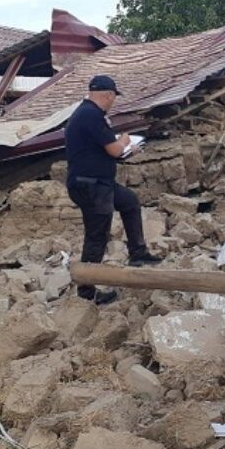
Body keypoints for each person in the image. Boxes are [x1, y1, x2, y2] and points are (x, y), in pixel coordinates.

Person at [65, 75, 161, 304]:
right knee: (97, 235)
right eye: (113, 98)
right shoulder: (91, 115)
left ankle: (138, 254)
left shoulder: (87, 114)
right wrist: (126, 141)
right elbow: (115, 150)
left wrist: (125, 149)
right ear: (108, 95)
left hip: (99, 182)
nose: (113, 102)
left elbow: (104, 151)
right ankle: (86, 293)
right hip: (91, 185)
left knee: (129, 201)